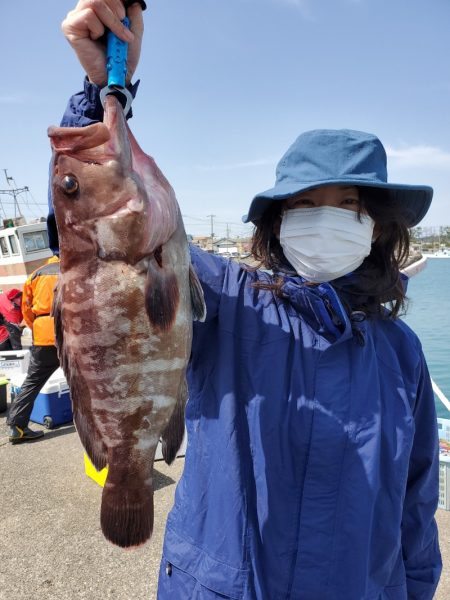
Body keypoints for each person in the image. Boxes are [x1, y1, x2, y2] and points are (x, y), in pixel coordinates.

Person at [49, 2, 442, 598]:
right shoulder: (228, 301)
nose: (325, 221)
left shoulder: (403, 354)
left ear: (379, 229)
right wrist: (104, 89)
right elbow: (95, 248)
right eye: (305, 206)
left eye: (350, 207)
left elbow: (417, 501)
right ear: (276, 224)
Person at [7, 256, 60, 443]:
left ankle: (16, 426)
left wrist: (37, 326)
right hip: (71, 332)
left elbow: (27, 309)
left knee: (33, 381)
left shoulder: (35, 275)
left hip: (42, 333)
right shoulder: (74, 270)